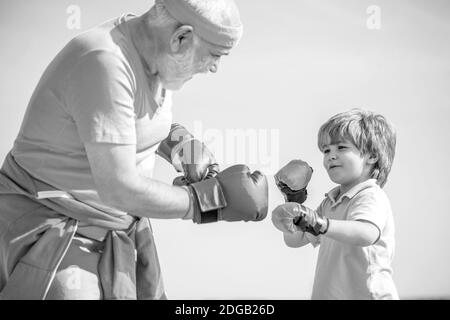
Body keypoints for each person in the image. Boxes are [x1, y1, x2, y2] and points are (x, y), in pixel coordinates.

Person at [0, 0, 271, 300]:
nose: (215, 68)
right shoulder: (104, 62)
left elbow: (125, 121)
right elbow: (118, 188)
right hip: (57, 234)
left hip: (111, 233)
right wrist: (210, 200)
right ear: (181, 37)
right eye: (215, 55)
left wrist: (180, 143)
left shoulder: (154, 56)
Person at [271, 109, 399, 300]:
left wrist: (321, 223)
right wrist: (293, 202)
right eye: (326, 150)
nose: (330, 155)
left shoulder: (370, 195)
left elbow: (366, 233)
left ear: (372, 156)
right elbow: (294, 241)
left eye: (341, 148)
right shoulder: (330, 202)